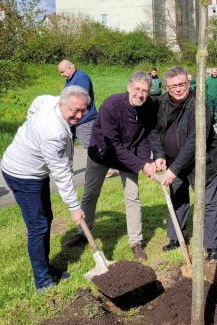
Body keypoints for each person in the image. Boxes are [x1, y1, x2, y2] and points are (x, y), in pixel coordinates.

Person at [62, 71, 157, 261]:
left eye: (145, 90)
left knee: (133, 197)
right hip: (102, 153)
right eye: (137, 89)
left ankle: (136, 243)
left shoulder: (148, 106)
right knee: (90, 194)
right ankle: (83, 233)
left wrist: (146, 160)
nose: (140, 94)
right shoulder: (111, 105)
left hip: (128, 156)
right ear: (129, 87)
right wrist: (141, 165)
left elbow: (145, 136)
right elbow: (113, 145)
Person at [1, 87, 88, 292]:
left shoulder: (50, 101)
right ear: (61, 104)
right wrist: (74, 208)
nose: (79, 115)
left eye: (83, 110)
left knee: (45, 218)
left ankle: (46, 267)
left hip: (35, 172)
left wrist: (30, 126)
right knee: (38, 226)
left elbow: (35, 103)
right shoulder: (52, 133)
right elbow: (62, 175)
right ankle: (42, 281)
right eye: (75, 111)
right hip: (22, 175)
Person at [150, 66, 217, 260]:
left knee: (208, 203)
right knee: (178, 200)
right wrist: (158, 154)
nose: (178, 89)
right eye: (173, 86)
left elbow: (194, 141)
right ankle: (176, 238)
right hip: (174, 162)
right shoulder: (161, 103)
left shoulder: (199, 106)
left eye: (182, 84)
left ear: (188, 83)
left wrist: (174, 169)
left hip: (204, 162)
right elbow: (154, 130)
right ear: (166, 86)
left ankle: (212, 246)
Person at [58, 60, 97, 150]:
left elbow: (81, 101)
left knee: (92, 148)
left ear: (70, 68)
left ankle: (105, 162)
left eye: (62, 72)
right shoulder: (70, 79)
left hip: (85, 120)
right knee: (68, 146)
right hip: (73, 119)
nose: (61, 75)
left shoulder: (81, 78)